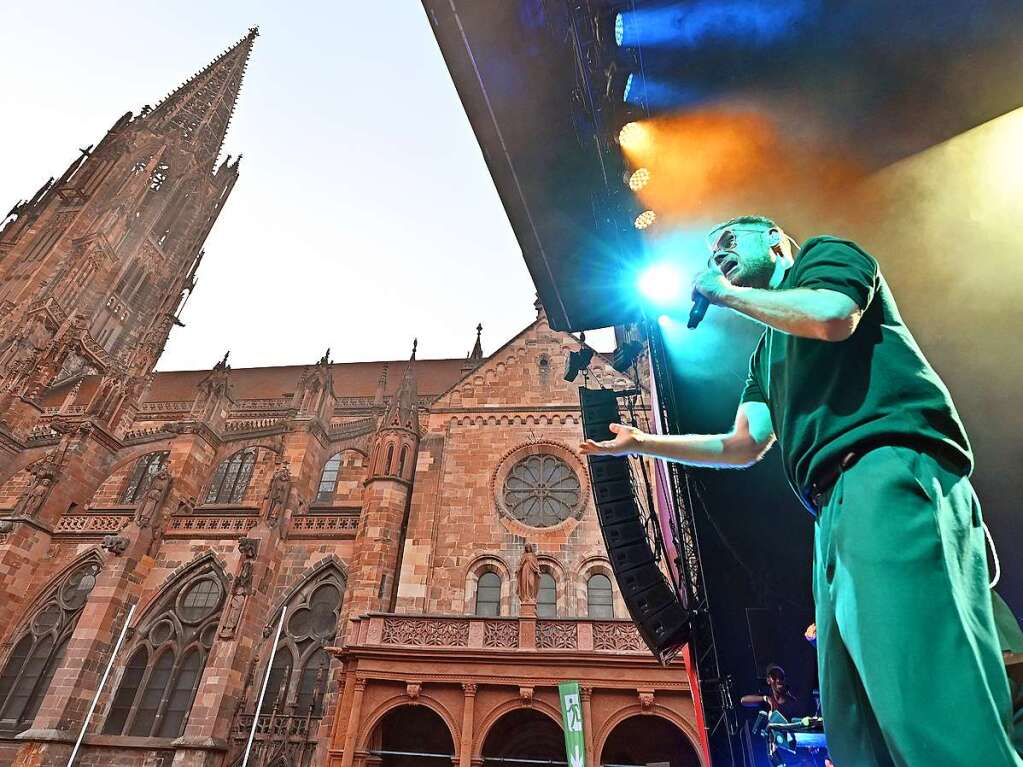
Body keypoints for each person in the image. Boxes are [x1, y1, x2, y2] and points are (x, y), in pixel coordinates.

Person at [580, 215, 1020, 766]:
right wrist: (642, 442)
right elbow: (742, 445)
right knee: (856, 721)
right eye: (712, 256)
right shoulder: (764, 355)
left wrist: (728, 295)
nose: (719, 259)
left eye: (728, 242)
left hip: (885, 466)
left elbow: (835, 316)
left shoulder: (826, 255)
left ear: (775, 240)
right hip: (829, 509)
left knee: (924, 694)